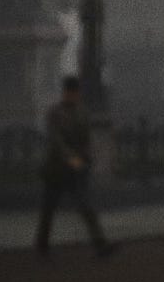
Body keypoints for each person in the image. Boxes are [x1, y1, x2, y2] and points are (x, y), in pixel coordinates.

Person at [34, 75, 115, 259]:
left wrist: (86, 157)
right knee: (49, 209)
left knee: (86, 207)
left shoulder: (82, 112)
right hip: (57, 169)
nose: (75, 96)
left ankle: (100, 244)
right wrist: (73, 159)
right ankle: (42, 247)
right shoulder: (54, 112)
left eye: (77, 93)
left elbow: (86, 138)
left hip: (75, 169)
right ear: (66, 93)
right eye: (73, 93)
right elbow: (57, 141)